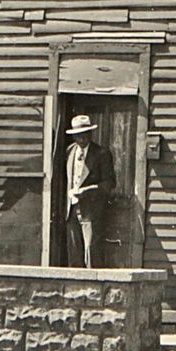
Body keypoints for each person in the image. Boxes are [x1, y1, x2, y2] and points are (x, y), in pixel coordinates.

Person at [62, 115, 106, 268]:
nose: (82, 139)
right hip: (72, 209)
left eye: (85, 134)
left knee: (91, 250)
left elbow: (109, 183)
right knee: (74, 251)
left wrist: (87, 191)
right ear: (73, 136)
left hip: (91, 210)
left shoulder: (101, 154)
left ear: (90, 134)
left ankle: (94, 288)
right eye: (78, 135)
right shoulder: (69, 152)